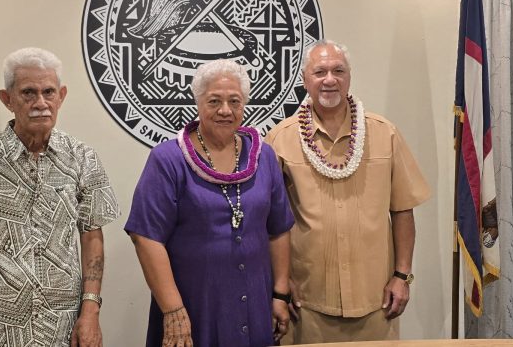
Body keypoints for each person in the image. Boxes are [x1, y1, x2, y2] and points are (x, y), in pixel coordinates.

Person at [0, 47, 119, 347]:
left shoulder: (84, 159)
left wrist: (91, 311)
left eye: (49, 92)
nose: (40, 103)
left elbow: (92, 237)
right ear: (8, 99)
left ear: (62, 95)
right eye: (28, 92)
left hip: (64, 332)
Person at [265, 39, 431, 343]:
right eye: (320, 72)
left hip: (377, 303)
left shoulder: (384, 133)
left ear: (349, 77)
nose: (330, 79)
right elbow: (268, 221)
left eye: (338, 70)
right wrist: (281, 281)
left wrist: (402, 276)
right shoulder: (280, 139)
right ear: (305, 80)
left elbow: (403, 209)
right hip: (306, 306)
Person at [125, 59, 295, 347]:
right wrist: (173, 309)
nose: (225, 110)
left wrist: (280, 293)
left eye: (234, 101)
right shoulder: (168, 160)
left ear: (245, 105)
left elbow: (278, 228)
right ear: (198, 102)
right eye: (214, 101)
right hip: (193, 306)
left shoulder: (263, 156)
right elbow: (146, 237)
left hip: (255, 304)